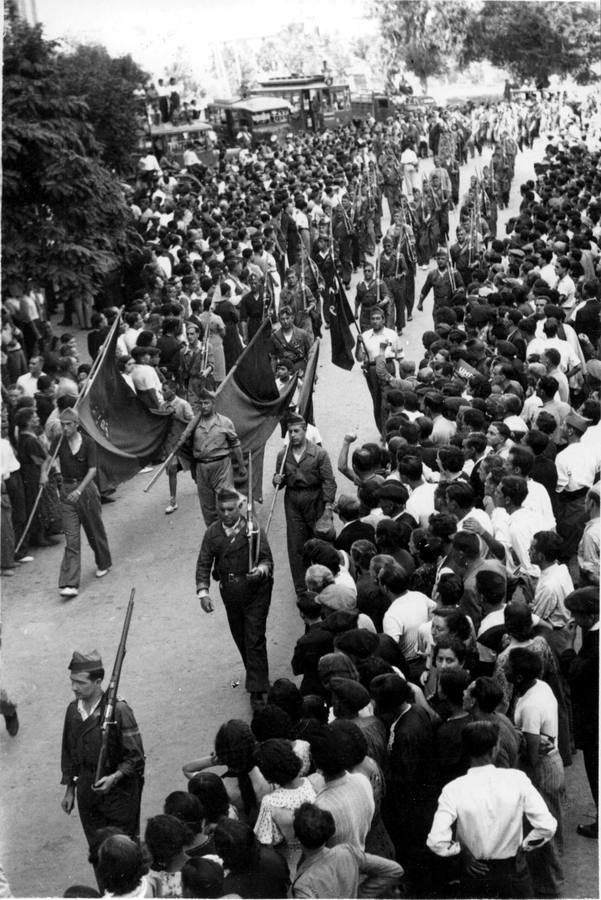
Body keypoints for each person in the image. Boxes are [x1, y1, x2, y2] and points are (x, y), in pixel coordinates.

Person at [427, 721, 557, 899]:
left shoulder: (453, 789)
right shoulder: (517, 779)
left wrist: (461, 851)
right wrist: (525, 846)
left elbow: (436, 841)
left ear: (466, 749)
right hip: (513, 871)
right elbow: (547, 826)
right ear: (495, 749)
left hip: (475, 874)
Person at [196, 488, 273, 710]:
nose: (226, 514)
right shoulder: (212, 533)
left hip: (256, 591)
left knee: (254, 636)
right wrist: (203, 592)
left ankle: (257, 690)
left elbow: (267, 560)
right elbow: (203, 563)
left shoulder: (253, 528)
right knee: (241, 637)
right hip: (230, 592)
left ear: (238, 508)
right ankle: (256, 674)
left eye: (231, 509)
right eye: (222, 510)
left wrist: (258, 570)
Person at [60, 651, 145, 848]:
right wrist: (70, 789)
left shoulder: (119, 710)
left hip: (119, 793)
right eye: (72, 681)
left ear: (98, 681)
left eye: (80, 683)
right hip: (87, 790)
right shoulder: (73, 710)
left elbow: (136, 757)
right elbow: (69, 752)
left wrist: (115, 777)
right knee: (97, 850)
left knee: (124, 851)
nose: (74, 687)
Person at [41, 408, 112, 598]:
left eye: (68, 424)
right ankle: (70, 583)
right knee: (71, 539)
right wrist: (43, 474)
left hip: (85, 490)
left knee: (94, 532)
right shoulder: (58, 441)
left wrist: (79, 490)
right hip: (66, 491)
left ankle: (104, 561)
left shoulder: (88, 443)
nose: (64, 428)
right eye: (62, 424)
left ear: (76, 424)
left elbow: (92, 470)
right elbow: (48, 460)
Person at [274, 414, 336, 596]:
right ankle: (302, 590)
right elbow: (279, 482)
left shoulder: (319, 453)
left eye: (296, 431)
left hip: (315, 498)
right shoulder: (283, 455)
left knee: (320, 541)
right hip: (293, 501)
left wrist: (327, 507)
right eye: (290, 431)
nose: (293, 435)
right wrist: (276, 479)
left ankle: (326, 584)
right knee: (296, 546)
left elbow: (329, 481)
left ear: (305, 431)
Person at [291, 803, 404, 899]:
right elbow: (394, 870)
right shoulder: (347, 852)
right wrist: (361, 894)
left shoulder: (303, 886)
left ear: (297, 837)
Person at [561, 587, 599, 839]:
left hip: (593, 719)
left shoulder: (593, 647)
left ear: (587, 617)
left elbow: (574, 672)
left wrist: (567, 646)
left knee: (596, 768)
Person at [191, 388, 247, 526]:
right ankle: (214, 534)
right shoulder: (194, 424)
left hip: (221, 466)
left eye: (206, 403)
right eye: (201, 403)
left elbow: (235, 444)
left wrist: (241, 466)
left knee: (225, 500)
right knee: (207, 506)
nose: (203, 406)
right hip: (202, 467)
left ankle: (231, 531)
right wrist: (193, 470)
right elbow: (188, 448)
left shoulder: (225, 422)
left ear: (213, 404)